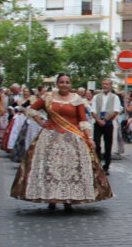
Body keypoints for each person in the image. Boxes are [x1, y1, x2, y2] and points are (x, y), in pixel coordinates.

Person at [10, 73, 112, 209]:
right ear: (57, 84)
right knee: (50, 167)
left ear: (71, 84)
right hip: (51, 136)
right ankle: (51, 198)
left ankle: (69, 199)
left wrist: (89, 137)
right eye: (62, 82)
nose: (64, 84)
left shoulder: (77, 99)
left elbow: (83, 120)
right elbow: (32, 109)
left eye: (67, 82)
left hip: (73, 138)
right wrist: (41, 122)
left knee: (72, 168)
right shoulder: (48, 98)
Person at [91, 78, 122, 175]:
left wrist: (105, 120)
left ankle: (107, 166)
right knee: (96, 143)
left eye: (107, 84)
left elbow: (116, 110)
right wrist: (98, 120)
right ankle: (98, 163)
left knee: (108, 144)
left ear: (110, 86)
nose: (105, 86)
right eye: (104, 84)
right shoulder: (96, 97)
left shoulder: (115, 97)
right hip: (98, 122)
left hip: (108, 123)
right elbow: (93, 110)